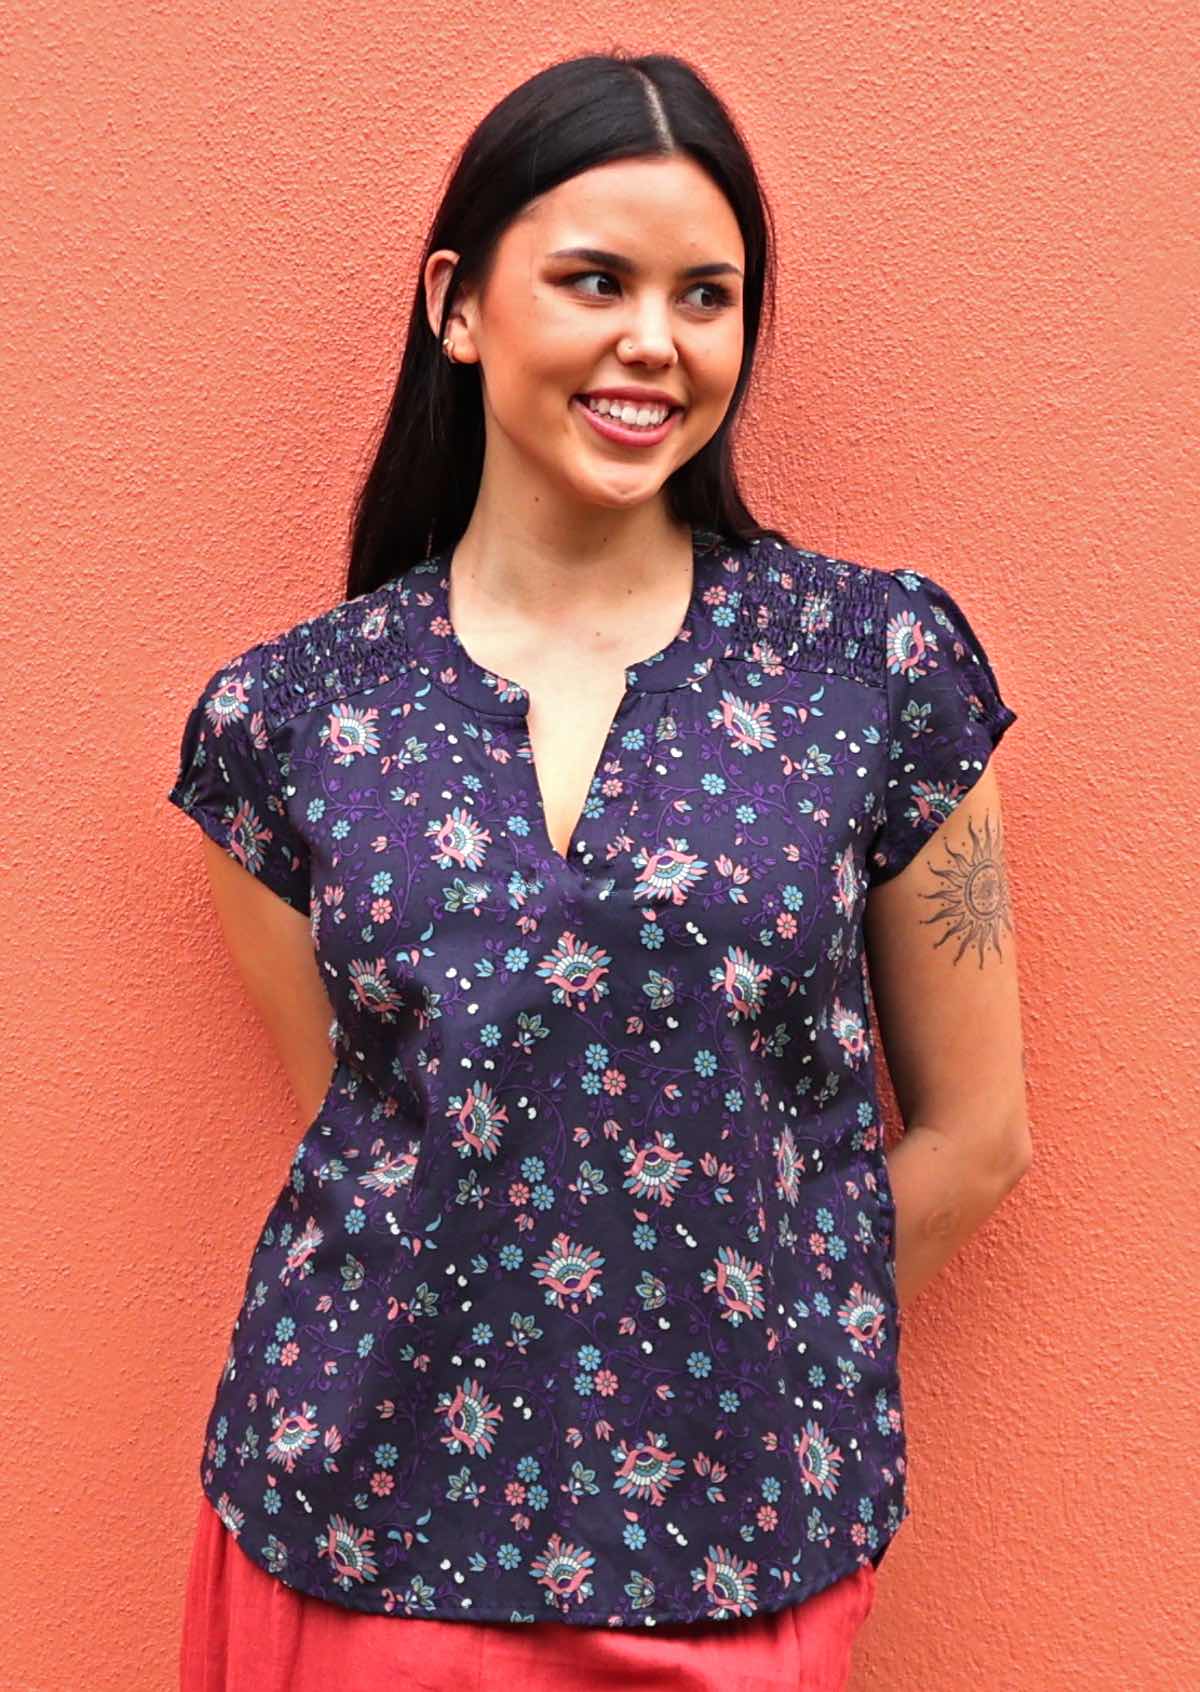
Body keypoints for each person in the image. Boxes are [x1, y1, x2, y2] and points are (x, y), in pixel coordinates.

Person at [170, 50, 1031, 1692]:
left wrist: (730, 1366)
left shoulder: (873, 668)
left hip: (731, 1552)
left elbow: (981, 1139)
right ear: (459, 303)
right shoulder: (292, 720)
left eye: (708, 295)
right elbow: (378, 1135)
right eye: (594, 280)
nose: (657, 339)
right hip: (355, 1539)